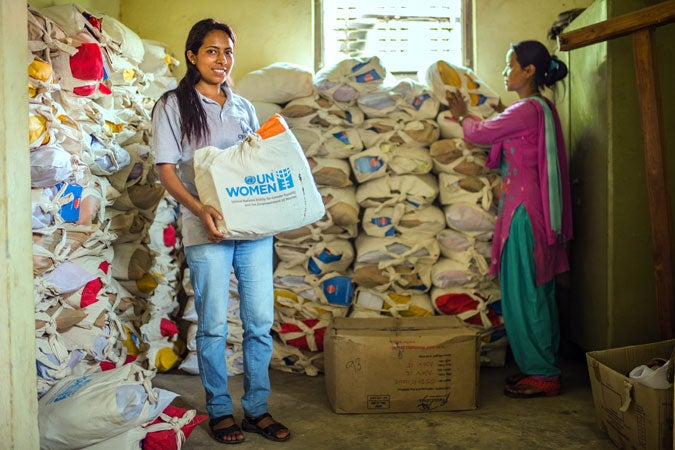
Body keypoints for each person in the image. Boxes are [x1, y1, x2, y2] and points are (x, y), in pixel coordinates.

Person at [152, 18, 290, 443]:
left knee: (259, 322)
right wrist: (201, 209)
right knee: (211, 324)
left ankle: (256, 409)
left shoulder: (243, 106)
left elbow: (254, 165)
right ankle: (219, 410)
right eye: (212, 51)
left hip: (252, 231)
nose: (222, 60)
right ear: (192, 56)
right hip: (205, 229)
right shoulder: (173, 105)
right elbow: (166, 171)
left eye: (228, 51)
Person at [447, 40, 573, 398]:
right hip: (535, 212)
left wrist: (462, 114)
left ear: (529, 71)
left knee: (526, 294)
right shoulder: (539, 108)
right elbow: (506, 130)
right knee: (539, 291)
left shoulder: (527, 109)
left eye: (510, 65)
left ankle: (543, 374)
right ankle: (540, 366)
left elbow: (480, 134)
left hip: (524, 214)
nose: (505, 72)